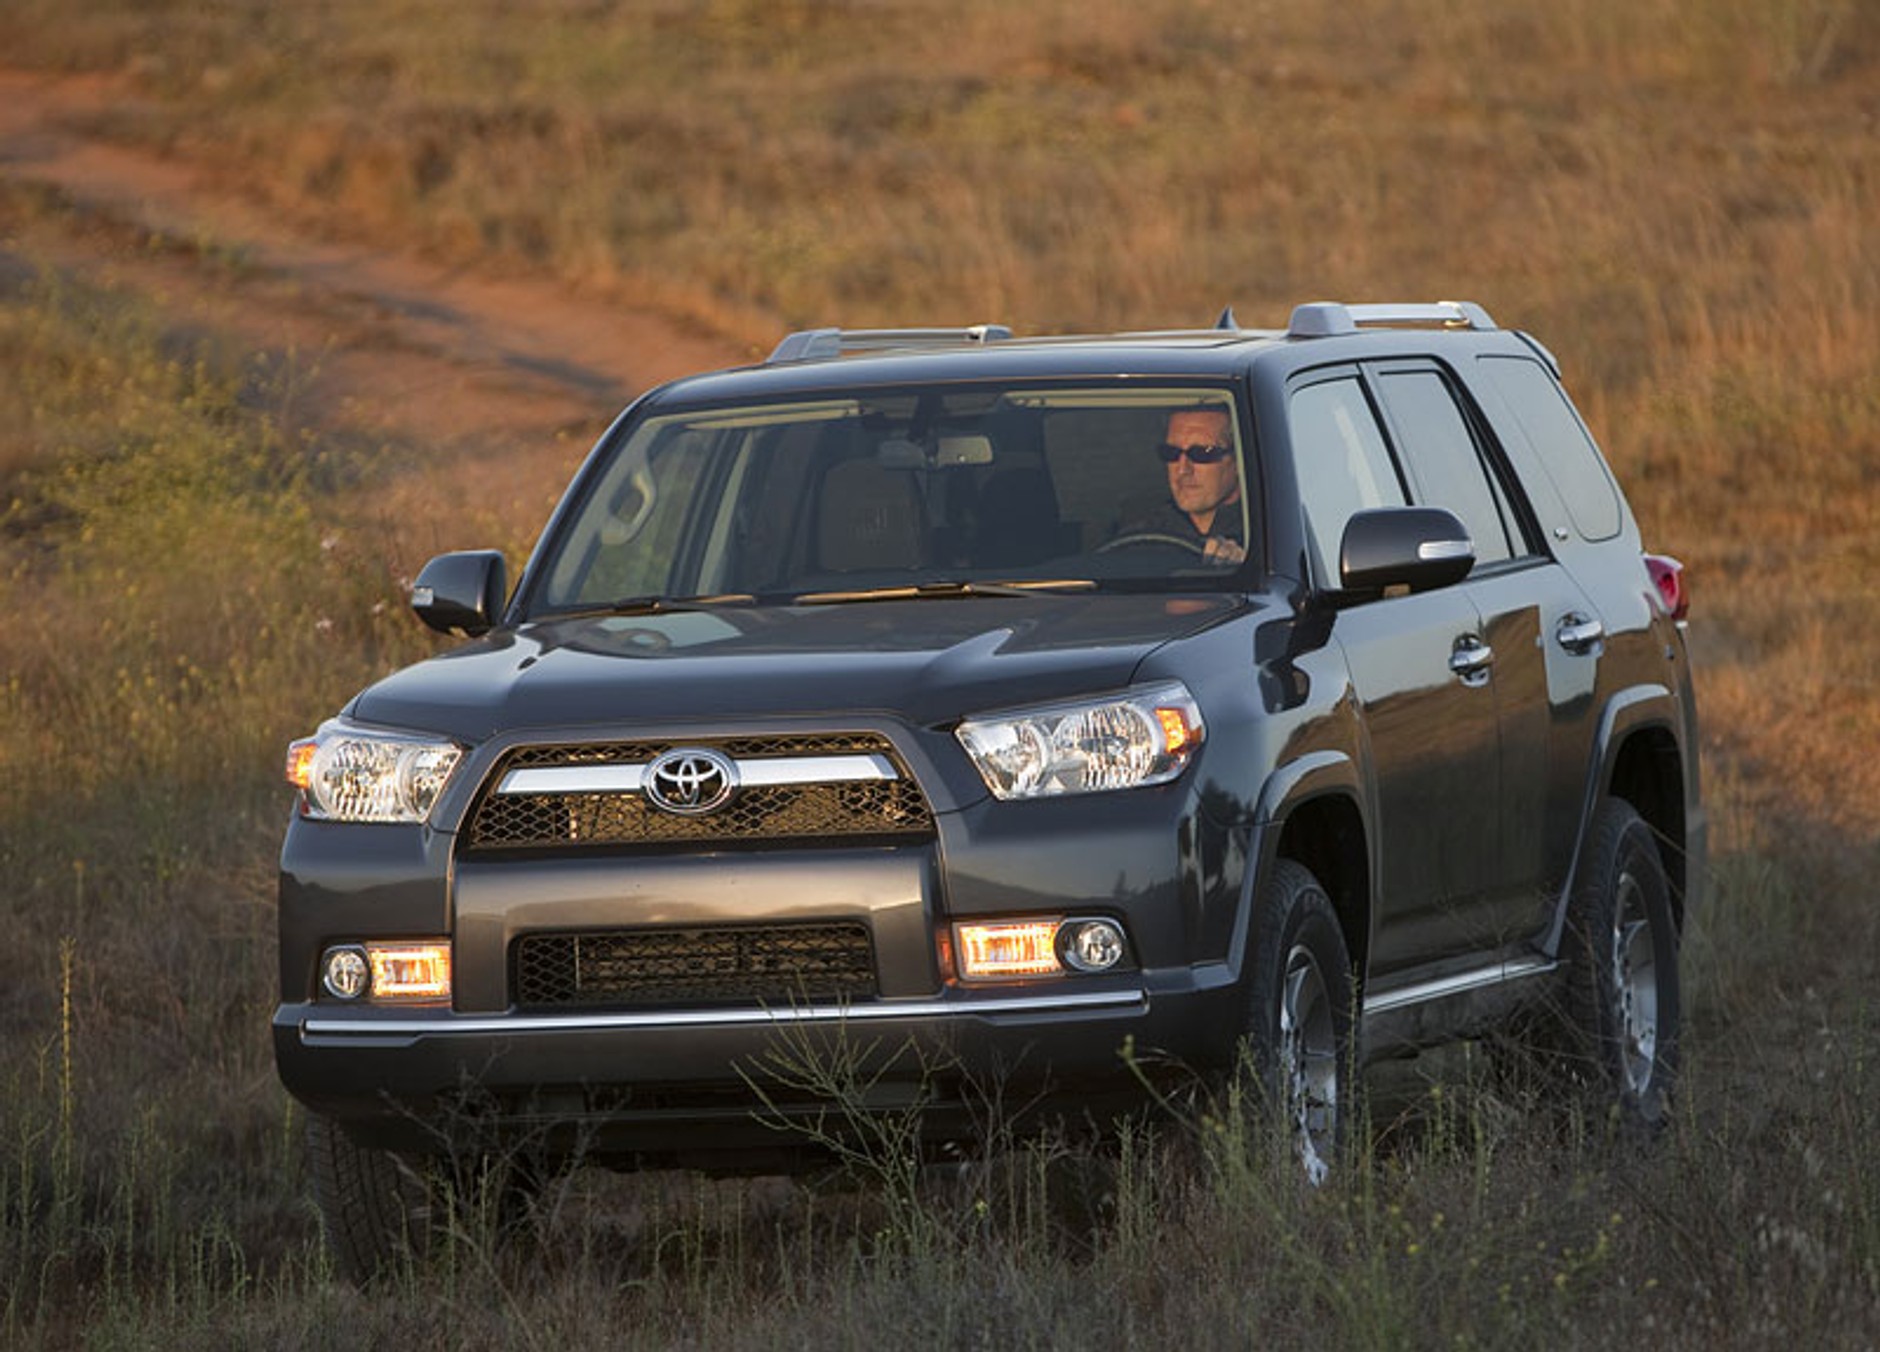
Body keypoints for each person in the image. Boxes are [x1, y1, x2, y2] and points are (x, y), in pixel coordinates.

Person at [1129, 406, 1246, 563]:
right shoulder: (1142, 536)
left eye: (1202, 453)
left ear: (1239, 460)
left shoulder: (1268, 535)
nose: (1183, 469)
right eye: (1171, 452)